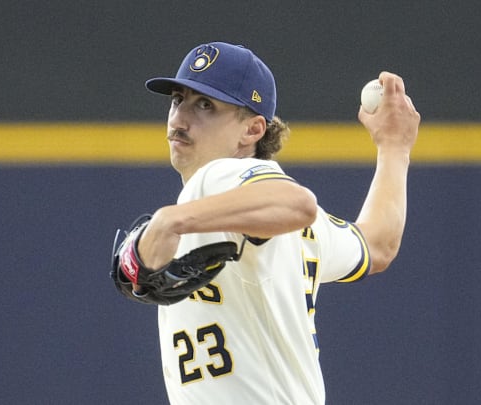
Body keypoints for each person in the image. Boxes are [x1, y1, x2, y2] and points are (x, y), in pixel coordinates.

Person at [134, 41, 419, 404]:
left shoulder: (217, 178)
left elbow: (297, 203)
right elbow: (377, 245)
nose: (180, 118)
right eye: (178, 99)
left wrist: (170, 220)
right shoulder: (287, 222)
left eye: (205, 105)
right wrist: (394, 147)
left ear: (252, 130)